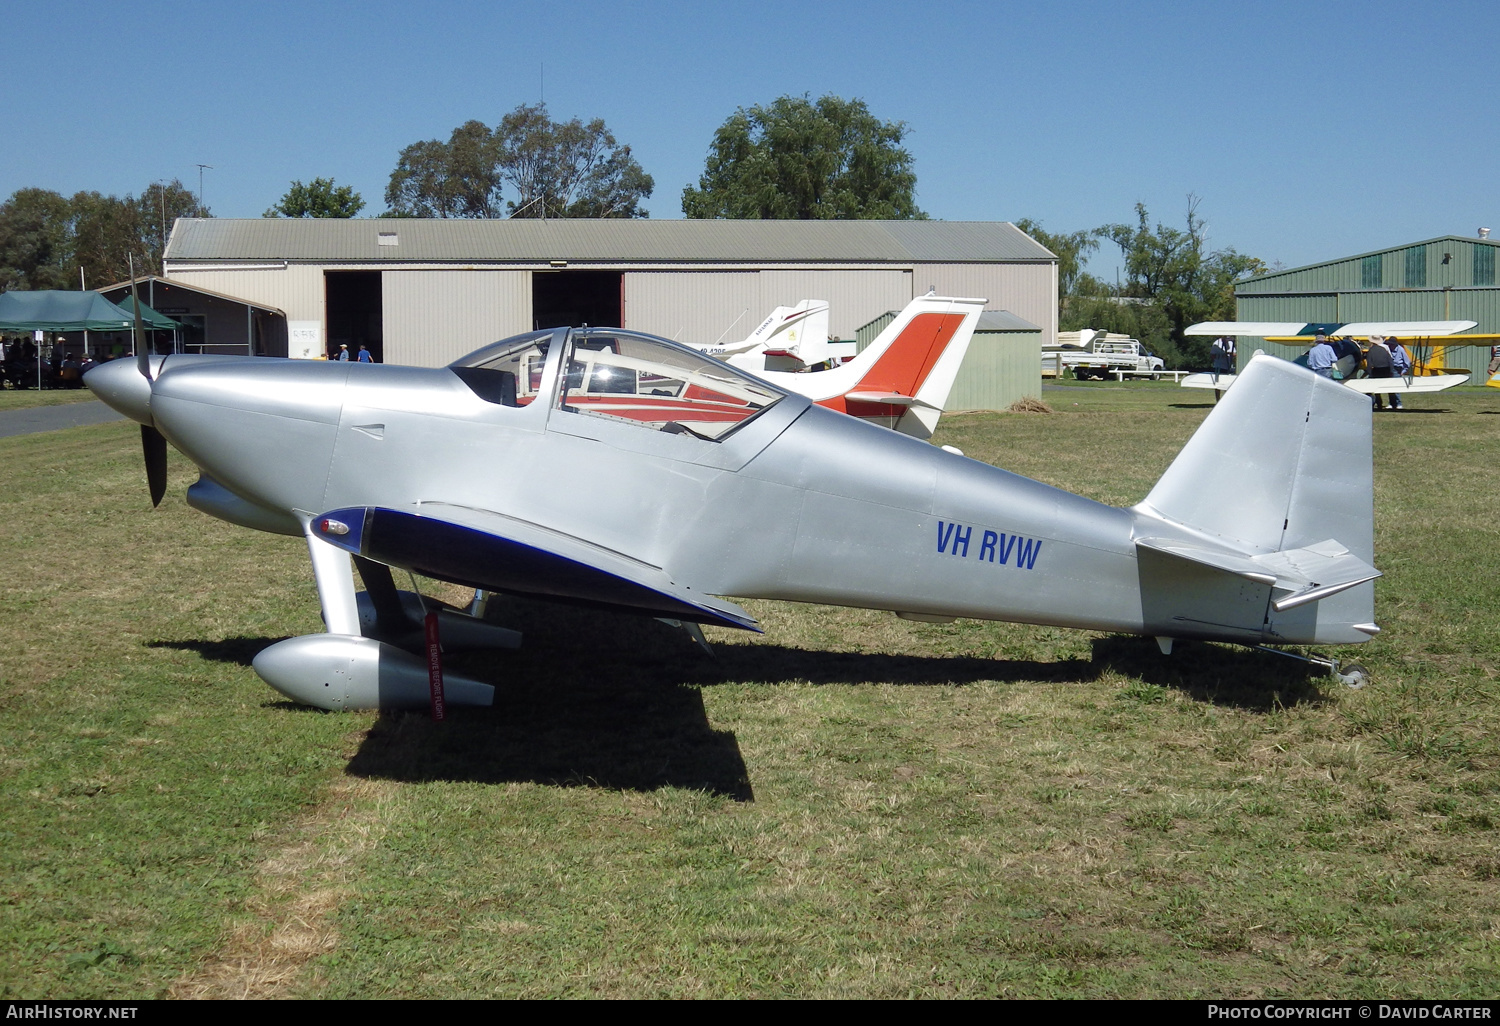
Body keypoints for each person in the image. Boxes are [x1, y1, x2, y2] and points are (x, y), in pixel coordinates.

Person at [1364, 334, 1394, 409]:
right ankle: (1394, 403)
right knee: (1390, 389)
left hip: (1376, 370)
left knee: (1376, 389)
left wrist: (1369, 372)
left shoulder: (1371, 351)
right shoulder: (1383, 349)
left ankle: (1379, 403)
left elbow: (1369, 363)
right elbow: (1390, 360)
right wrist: (1391, 371)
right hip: (1386, 370)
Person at [1388, 337, 1410, 410]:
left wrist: (1403, 371)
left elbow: (1407, 362)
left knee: (1396, 387)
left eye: (1391, 344)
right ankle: (1391, 403)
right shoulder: (1388, 349)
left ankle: (1399, 403)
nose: (1390, 346)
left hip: (1397, 369)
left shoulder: (1400, 350)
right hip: (1390, 368)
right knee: (1389, 387)